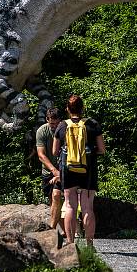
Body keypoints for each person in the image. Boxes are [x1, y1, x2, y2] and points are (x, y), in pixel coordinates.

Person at [52, 95, 105, 249]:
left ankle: (70, 243)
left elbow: (55, 151)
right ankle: (89, 244)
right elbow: (102, 149)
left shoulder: (62, 126)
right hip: (88, 170)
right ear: (83, 108)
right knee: (87, 207)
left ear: (67, 109)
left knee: (69, 206)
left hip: (68, 170)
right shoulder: (93, 124)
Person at [36, 107, 64, 237]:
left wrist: (61, 172)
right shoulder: (42, 131)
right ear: (47, 120)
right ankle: (64, 230)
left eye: (56, 123)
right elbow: (41, 155)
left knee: (57, 195)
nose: (54, 126)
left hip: (64, 170)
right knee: (53, 201)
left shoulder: (65, 129)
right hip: (48, 171)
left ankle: (52, 230)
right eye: (51, 123)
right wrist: (53, 170)